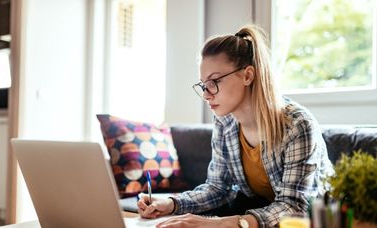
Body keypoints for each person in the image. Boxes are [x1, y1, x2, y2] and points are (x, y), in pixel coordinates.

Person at [137, 24, 334, 228]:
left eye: (214, 81)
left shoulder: (297, 125)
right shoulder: (224, 121)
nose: (206, 94)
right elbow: (218, 188)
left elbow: (295, 207)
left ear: (248, 75)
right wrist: (171, 204)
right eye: (204, 84)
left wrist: (221, 224)